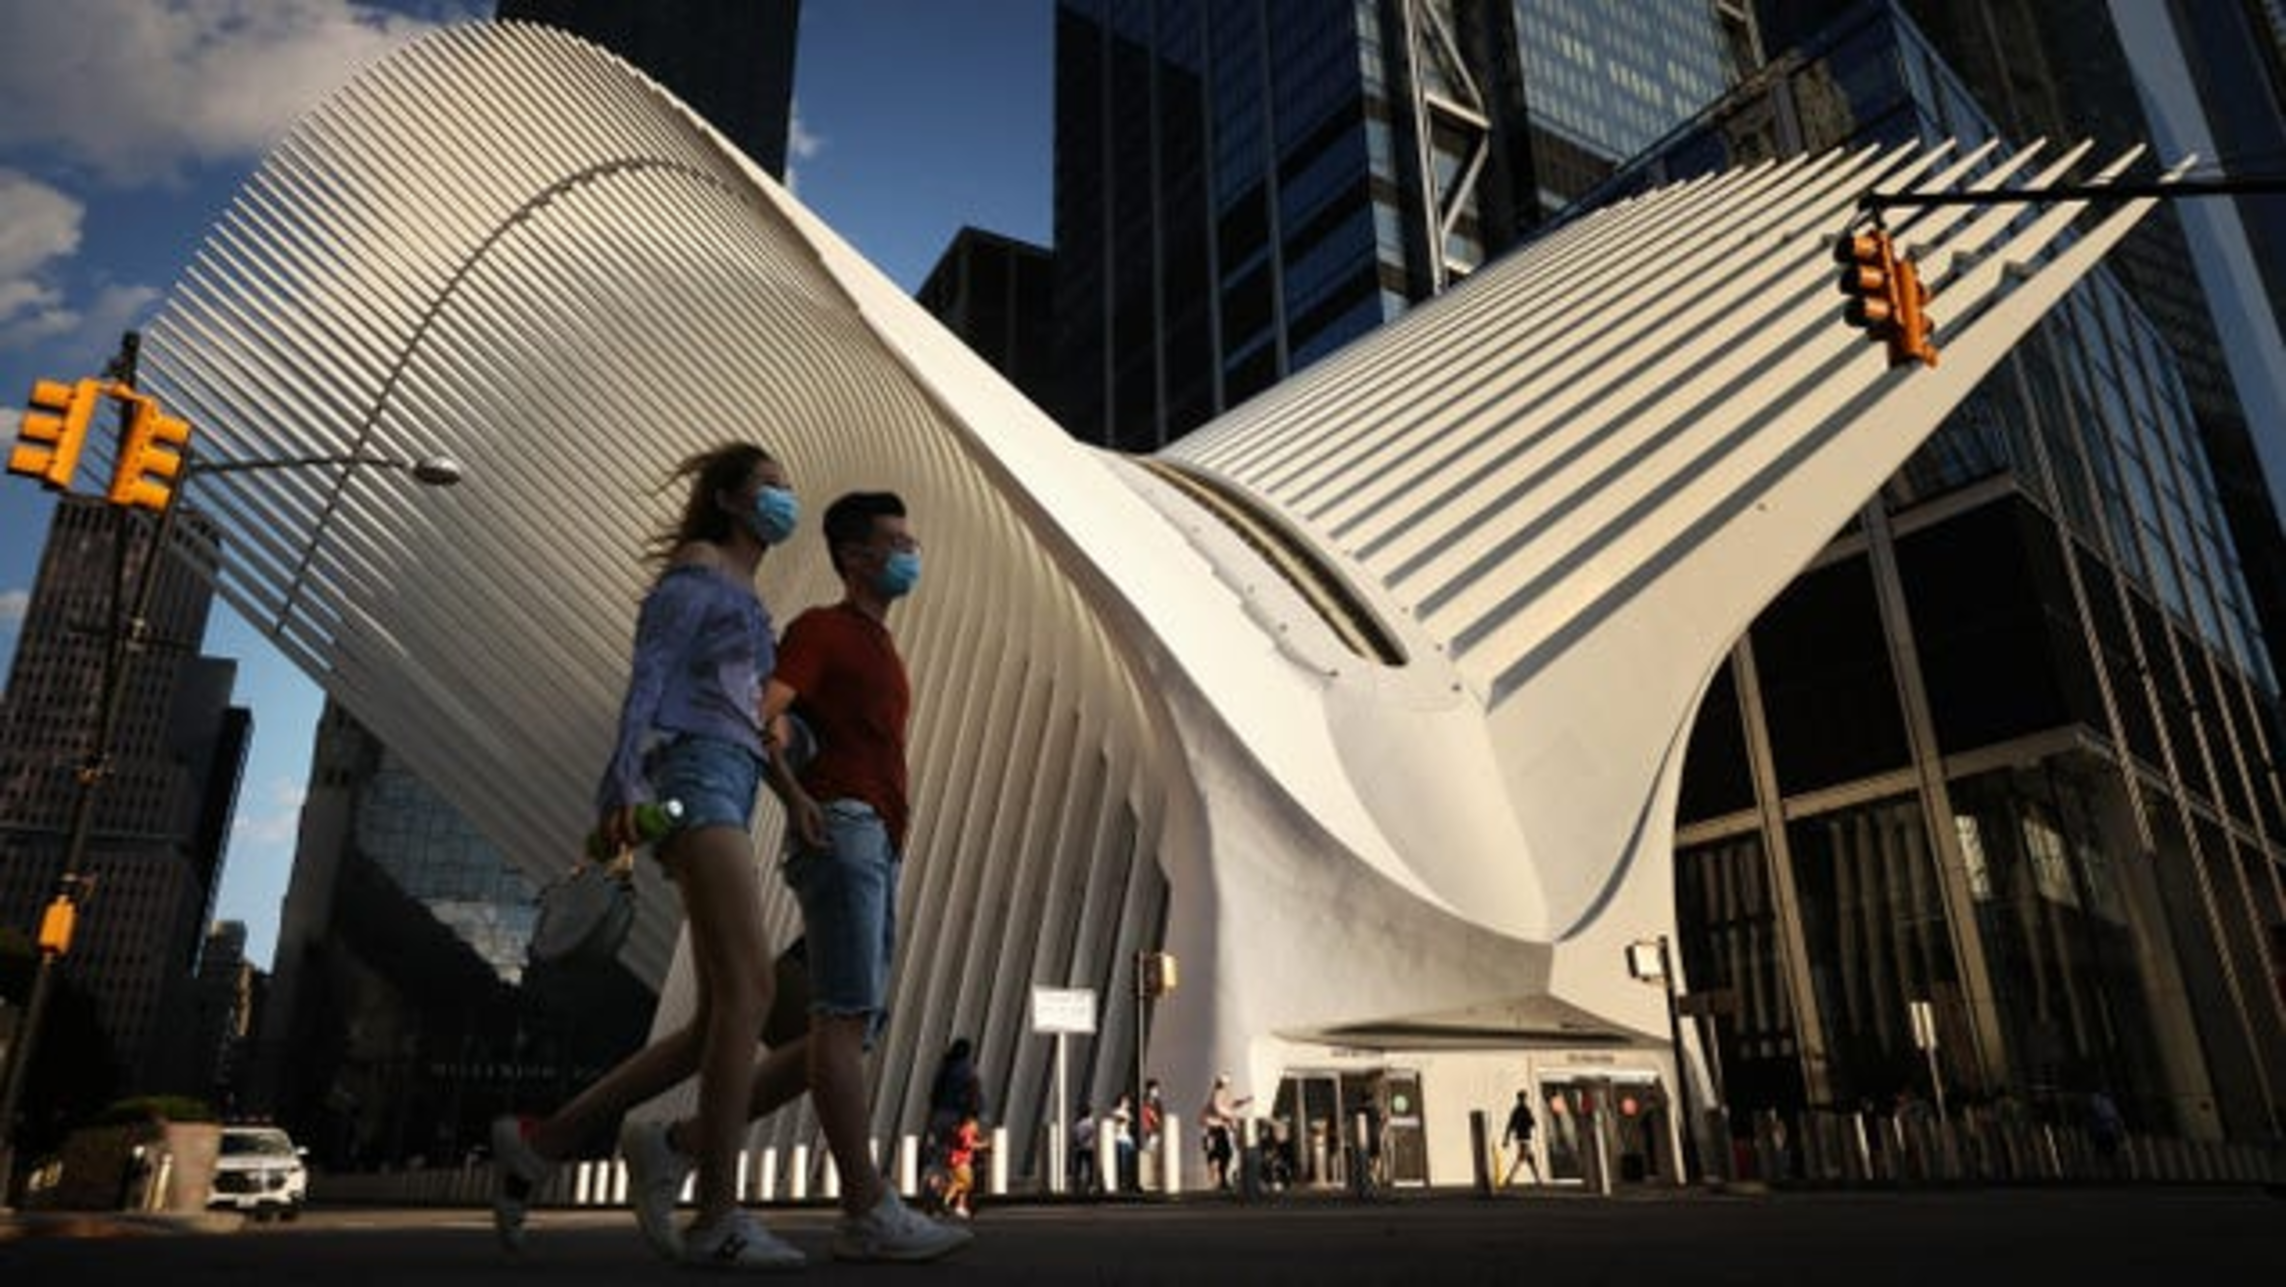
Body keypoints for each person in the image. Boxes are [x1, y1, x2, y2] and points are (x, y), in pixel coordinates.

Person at [488, 442, 810, 1269]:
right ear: (729, 499)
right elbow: (649, 675)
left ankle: (541, 1141)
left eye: (787, 488)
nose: (784, 499)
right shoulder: (699, 568)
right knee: (753, 989)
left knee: (715, 1017)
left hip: (732, 778)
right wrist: (621, 787)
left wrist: (794, 788)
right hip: (692, 778)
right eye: (769, 487)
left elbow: (751, 716)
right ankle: (717, 1215)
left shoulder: (748, 592)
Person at [759, 489, 969, 1262]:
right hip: (844, 826)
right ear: (854, 555)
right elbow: (761, 714)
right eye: (897, 541)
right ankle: (866, 1207)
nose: (912, 553)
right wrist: (794, 796)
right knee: (845, 1016)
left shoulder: (883, 645)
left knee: (847, 1024)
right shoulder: (822, 629)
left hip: (877, 836)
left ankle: (681, 1141)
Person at [1200, 1072, 1251, 1190]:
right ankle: (1219, 1178)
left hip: (1219, 1128)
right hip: (1213, 1128)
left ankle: (1221, 1179)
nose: (1226, 1087)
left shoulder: (1222, 1094)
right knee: (1221, 1153)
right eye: (1224, 1084)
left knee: (1224, 1153)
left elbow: (1230, 1105)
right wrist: (1232, 1118)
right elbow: (1219, 1109)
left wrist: (1243, 1102)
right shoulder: (1217, 1094)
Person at [941, 1114, 985, 1219]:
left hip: (959, 1161)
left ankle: (959, 1205)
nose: (977, 1127)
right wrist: (984, 1145)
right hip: (961, 1161)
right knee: (967, 1183)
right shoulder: (966, 1132)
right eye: (975, 1125)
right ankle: (948, 1201)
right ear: (969, 1124)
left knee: (961, 1182)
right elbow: (969, 1145)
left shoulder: (965, 1132)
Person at [1501, 1088, 1540, 1186]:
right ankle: (1509, 1179)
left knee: (1530, 1158)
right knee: (1522, 1157)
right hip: (1525, 1136)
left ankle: (1537, 1179)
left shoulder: (1516, 1110)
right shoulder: (1525, 1109)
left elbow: (1510, 1125)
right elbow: (1532, 1123)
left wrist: (1506, 1138)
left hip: (1520, 1136)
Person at [1071, 1102, 1098, 1193]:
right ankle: (1086, 1185)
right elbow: (1092, 1133)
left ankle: (1079, 1185)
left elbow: (1075, 1136)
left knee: (1081, 1167)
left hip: (1083, 1147)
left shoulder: (1080, 1123)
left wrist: (1078, 1143)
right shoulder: (1089, 1122)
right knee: (1088, 1167)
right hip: (1087, 1147)